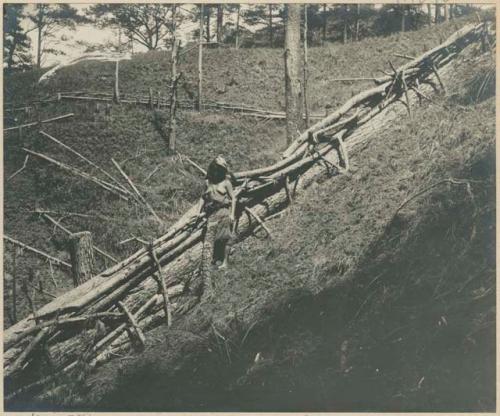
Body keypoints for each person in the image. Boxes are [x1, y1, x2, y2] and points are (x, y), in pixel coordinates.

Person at [198, 155, 237, 271]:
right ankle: (211, 262)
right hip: (212, 214)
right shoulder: (208, 183)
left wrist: (232, 214)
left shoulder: (226, 183)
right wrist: (197, 212)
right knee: (210, 238)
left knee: (225, 238)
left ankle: (225, 262)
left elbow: (233, 199)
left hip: (223, 212)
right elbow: (202, 198)